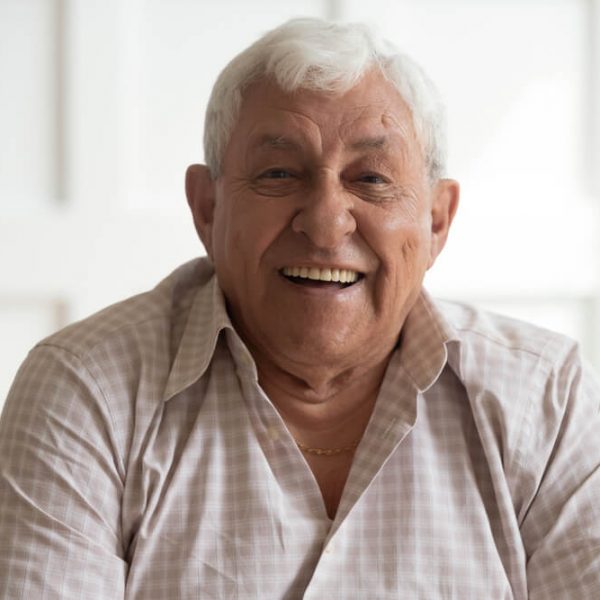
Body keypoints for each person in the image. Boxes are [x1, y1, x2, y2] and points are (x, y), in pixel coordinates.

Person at [1, 17, 599, 599]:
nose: (324, 222)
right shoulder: (87, 389)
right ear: (206, 209)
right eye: (280, 172)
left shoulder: (544, 400)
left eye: (370, 179)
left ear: (437, 220)